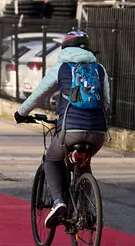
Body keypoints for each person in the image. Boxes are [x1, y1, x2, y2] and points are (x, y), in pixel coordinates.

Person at [14, 30, 110, 228]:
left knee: (51, 160)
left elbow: (39, 94)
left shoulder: (61, 68)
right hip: (99, 132)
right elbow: (107, 102)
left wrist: (21, 113)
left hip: (70, 130)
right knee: (85, 164)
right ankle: (84, 212)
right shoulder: (99, 69)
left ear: (65, 48)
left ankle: (59, 202)